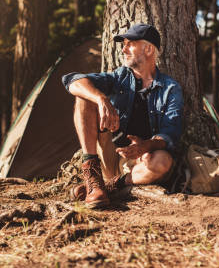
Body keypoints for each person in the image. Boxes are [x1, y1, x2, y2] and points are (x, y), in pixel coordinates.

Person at [61, 23, 184, 208]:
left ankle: (109, 186)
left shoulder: (170, 88)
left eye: (130, 44)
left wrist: (146, 146)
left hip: (142, 162)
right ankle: (93, 176)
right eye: (123, 44)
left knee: (163, 161)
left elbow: (171, 133)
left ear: (149, 49)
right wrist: (101, 98)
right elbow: (72, 80)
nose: (124, 49)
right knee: (84, 96)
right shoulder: (120, 77)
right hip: (110, 154)